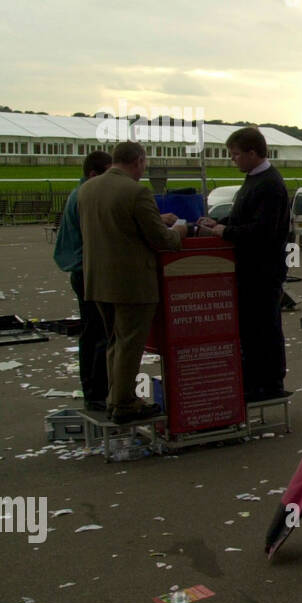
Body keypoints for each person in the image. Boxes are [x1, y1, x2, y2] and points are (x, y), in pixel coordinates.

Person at [77, 141, 185, 422]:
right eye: (144, 163)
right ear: (137, 160)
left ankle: (115, 397)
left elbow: (114, 225)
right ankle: (125, 404)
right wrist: (180, 231)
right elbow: (161, 240)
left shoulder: (87, 189)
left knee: (115, 342)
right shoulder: (137, 191)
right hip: (131, 283)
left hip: (98, 280)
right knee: (129, 344)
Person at [196, 126, 292, 403]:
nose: (233, 159)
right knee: (252, 329)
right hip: (251, 269)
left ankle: (268, 383)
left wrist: (225, 233)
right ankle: (255, 381)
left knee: (264, 328)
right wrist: (221, 224)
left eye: (235, 154)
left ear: (252, 153)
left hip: (262, 270)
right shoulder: (255, 179)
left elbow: (263, 231)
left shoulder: (270, 184)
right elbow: (246, 220)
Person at [53, 149, 113, 410]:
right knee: (98, 332)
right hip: (87, 271)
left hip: (82, 270)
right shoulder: (86, 197)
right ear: (93, 174)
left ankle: (94, 390)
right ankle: (96, 393)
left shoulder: (80, 193)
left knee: (93, 332)